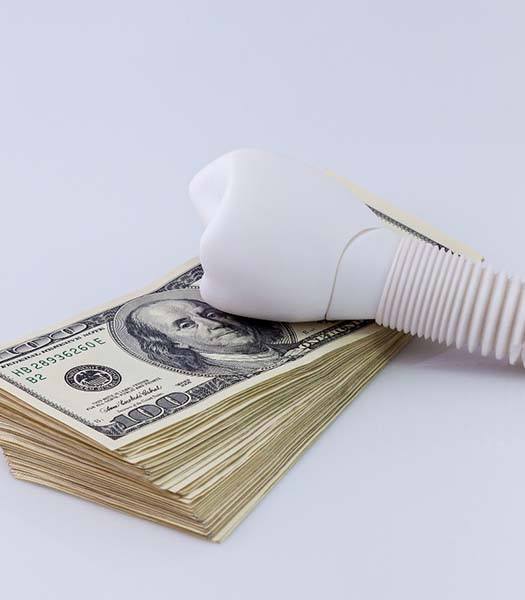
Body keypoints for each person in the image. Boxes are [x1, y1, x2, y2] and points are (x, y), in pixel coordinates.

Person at [125, 297, 293, 376]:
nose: (214, 324)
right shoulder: (217, 373)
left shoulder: (290, 348)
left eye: (211, 314)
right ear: (174, 343)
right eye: (186, 325)